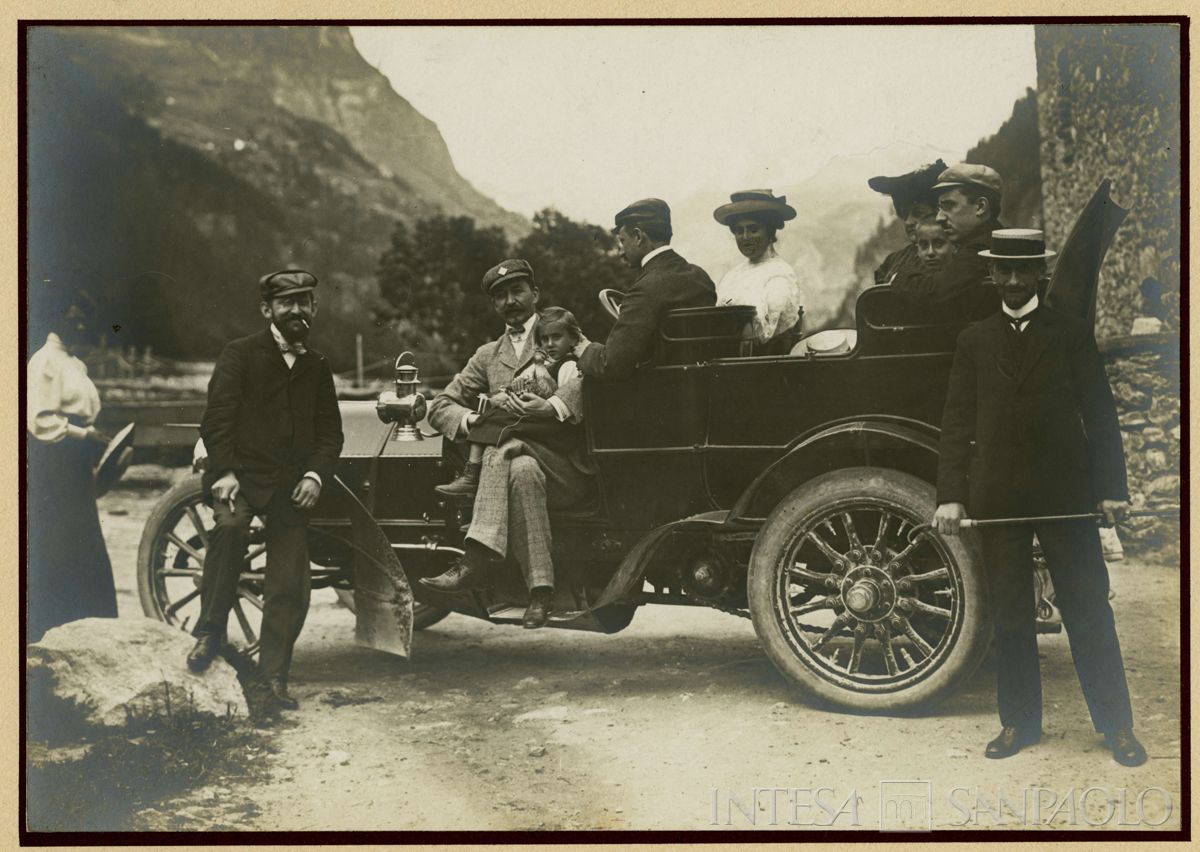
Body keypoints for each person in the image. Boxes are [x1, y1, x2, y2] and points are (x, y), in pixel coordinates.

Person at [932, 229, 1145, 767]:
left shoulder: (1071, 334)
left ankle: (1117, 727)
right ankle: (1019, 724)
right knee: (1010, 615)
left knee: (1088, 609)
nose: (1010, 280)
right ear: (992, 274)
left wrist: (1111, 490)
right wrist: (952, 496)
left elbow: (1100, 414)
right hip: (997, 497)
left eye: (1021, 270)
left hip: (1065, 494)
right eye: (1001, 270)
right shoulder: (973, 340)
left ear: (1040, 275)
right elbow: (957, 425)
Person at [186, 269, 344, 713]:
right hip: (239, 477)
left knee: (289, 578)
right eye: (286, 302)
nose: (296, 310)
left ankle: (273, 677)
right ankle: (209, 632)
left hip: (291, 488)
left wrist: (315, 477)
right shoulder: (240, 353)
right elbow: (216, 420)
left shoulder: (317, 365)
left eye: (303, 301)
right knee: (231, 530)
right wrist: (225, 472)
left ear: (313, 308)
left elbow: (330, 435)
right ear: (268, 310)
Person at [422, 261, 592, 629]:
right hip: (524, 466)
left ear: (535, 293)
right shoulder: (487, 355)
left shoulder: (557, 331)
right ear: (493, 305)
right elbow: (441, 405)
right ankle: (541, 594)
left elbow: (584, 374)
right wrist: (471, 422)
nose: (510, 301)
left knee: (503, 451)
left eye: (517, 291)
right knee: (520, 467)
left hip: (565, 470)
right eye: (500, 296)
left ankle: (476, 556)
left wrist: (550, 407)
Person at [26, 290, 118, 642]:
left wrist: (93, 437)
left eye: (83, 318)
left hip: (76, 459)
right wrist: (83, 435)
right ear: (56, 319)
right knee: (60, 541)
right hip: (55, 463)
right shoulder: (45, 362)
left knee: (84, 541)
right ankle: (52, 628)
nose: (79, 324)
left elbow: (82, 413)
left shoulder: (74, 363)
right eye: (72, 317)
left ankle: (91, 627)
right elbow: (40, 421)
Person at [435, 306, 583, 497]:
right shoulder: (492, 354)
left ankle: (472, 473)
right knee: (491, 417)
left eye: (556, 338)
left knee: (499, 424)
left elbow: (571, 393)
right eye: (545, 339)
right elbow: (516, 383)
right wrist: (500, 396)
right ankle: (472, 473)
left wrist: (547, 402)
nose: (550, 344)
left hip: (556, 434)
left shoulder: (572, 364)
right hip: (532, 425)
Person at [577, 198, 716, 379]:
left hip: (658, 395)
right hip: (703, 388)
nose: (620, 251)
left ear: (638, 236)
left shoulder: (644, 289)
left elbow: (610, 365)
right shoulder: (700, 277)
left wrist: (582, 347)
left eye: (622, 241)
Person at [891, 162, 1006, 306]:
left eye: (949, 206)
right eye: (940, 207)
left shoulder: (982, 247)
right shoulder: (990, 239)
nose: (939, 217)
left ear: (981, 207)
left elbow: (931, 292)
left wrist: (897, 277)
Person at [711, 189, 804, 351]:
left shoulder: (780, 275)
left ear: (769, 231)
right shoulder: (732, 276)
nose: (746, 238)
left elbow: (762, 336)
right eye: (739, 231)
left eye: (753, 229)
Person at [867, 159, 947, 285]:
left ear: (939, 212)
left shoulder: (953, 257)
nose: (908, 222)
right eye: (904, 214)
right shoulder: (893, 261)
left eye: (918, 213)